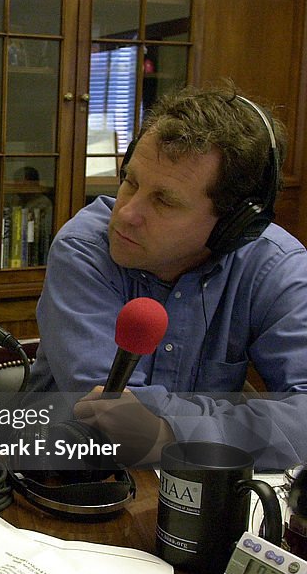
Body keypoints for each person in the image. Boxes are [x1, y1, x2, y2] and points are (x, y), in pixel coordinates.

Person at [28, 84, 307, 470]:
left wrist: (170, 433)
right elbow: (109, 415)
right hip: (60, 479)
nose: (126, 214)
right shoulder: (83, 248)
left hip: (194, 493)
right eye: (131, 182)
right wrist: (239, 422)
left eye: (164, 200)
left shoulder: (275, 265)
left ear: (234, 225)